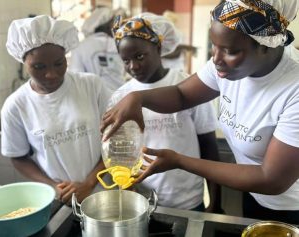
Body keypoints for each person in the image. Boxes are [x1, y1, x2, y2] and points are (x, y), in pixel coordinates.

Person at [101, 0, 299, 223]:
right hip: (254, 194)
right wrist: (137, 98)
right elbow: (181, 95)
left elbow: (271, 179)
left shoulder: (293, 89)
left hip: (291, 205)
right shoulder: (226, 66)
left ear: (267, 44)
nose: (216, 59)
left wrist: (180, 161)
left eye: (230, 51)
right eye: (213, 45)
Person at [110, 12, 222, 212]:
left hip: (188, 197)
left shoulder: (188, 87)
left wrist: (215, 202)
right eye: (125, 60)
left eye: (140, 56)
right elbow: (122, 154)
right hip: (144, 202)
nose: (133, 66)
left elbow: (208, 146)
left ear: (159, 48)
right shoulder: (121, 98)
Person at [1, 15, 111, 204]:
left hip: (105, 192)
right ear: (23, 62)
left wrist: (90, 182)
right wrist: (53, 187)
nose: (51, 74)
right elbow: (18, 157)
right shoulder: (16, 106)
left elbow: (115, 139)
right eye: (38, 67)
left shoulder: (91, 86)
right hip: (62, 200)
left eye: (59, 63)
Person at [69, 6, 126, 91]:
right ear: (109, 26)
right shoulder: (121, 44)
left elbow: (75, 78)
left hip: (92, 99)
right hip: (121, 98)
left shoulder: (80, 47)